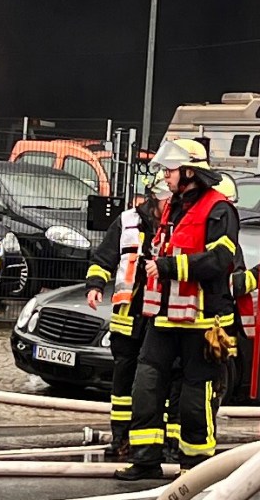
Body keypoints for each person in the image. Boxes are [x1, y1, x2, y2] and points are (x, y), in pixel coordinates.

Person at [116, 139, 240, 481]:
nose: (166, 176)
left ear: (189, 172)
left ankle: (195, 467)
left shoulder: (219, 209)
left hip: (203, 320)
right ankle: (145, 460)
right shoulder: (173, 207)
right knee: (146, 385)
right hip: (165, 316)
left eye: (171, 170)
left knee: (194, 396)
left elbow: (220, 260)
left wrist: (168, 267)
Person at [85, 173, 171, 461]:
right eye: (166, 199)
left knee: (158, 381)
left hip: (160, 315)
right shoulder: (127, 221)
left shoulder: (177, 223)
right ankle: (121, 438)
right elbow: (103, 259)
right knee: (123, 385)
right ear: (154, 197)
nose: (170, 203)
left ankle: (157, 442)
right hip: (129, 317)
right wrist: (95, 286)